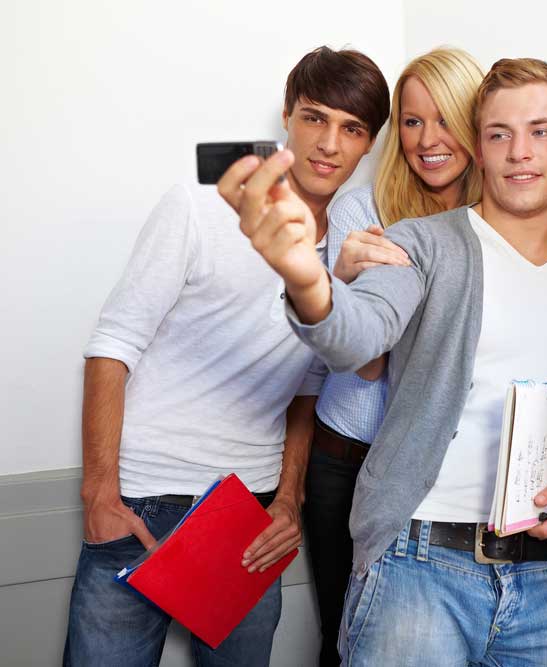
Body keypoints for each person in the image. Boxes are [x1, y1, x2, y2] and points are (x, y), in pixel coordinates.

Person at [219, 57, 547, 667]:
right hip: (417, 569)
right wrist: (308, 279)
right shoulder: (422, 242)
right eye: (499, 134)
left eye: (540, 131)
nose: (519, 152)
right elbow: (360, 336)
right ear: (479, 149)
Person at [62, 46, 389, 666]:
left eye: (352, 129)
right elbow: (113, 345)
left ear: (368, 144)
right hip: (142, 497)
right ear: (288, 118)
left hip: (248, 509)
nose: (329, 143)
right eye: (315, 118)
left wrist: (287, 499)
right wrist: (100, 495)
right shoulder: (201, 204)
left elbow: (308, 390)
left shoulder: (349, 252)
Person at [301, 47, 483, 666]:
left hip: (434, 463)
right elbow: (368, 365)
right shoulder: (363, 212)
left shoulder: (492, 223)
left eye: (445, 118)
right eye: (410, 121)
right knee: (349, 636)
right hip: (346, 456)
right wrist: (349, 293)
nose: (427, 140)